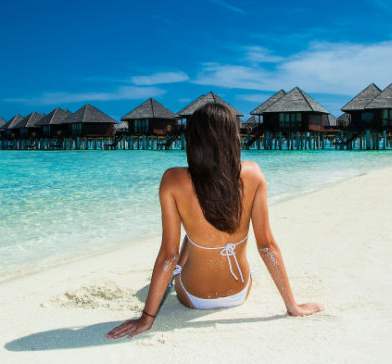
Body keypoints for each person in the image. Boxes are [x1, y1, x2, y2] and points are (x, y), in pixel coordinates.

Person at [106, 103, 323, 340]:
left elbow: (168, 255)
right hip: (238, 292)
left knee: (190, 236)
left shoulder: (172, 179)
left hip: (193, 297)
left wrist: (146, 318)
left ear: (194, 139)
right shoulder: (253, 174)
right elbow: (267, 247)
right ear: (232, 137)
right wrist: (293, 306)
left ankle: (183, 267)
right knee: (202, 235)